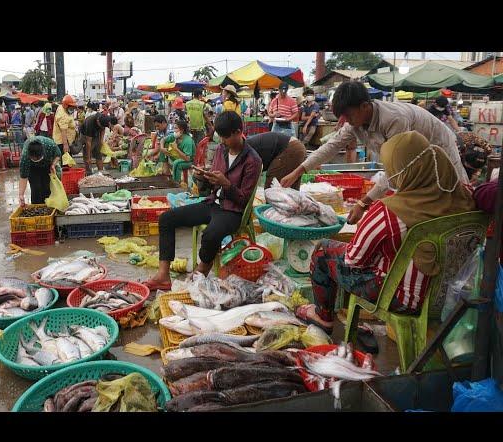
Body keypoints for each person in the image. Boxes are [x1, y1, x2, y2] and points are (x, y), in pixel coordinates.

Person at [296, 131, 476, 334]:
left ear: (403, 171)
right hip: (453, 297)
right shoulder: (467, 197)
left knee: (324, 251)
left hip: (403, 299)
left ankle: (323, 316)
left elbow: (354, 259)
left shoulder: (390, 211)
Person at [279, 81, 470, 224]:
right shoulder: (355, 122)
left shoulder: (395, 119)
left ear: (364, 106)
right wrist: (298, 171)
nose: (346, 121)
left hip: (439, 148)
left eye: (349, 115)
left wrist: (364, 203)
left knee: (453, 195)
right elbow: (331, 146)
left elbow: (397, 170)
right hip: (412, 162)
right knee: (415, 200)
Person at [144, 111, 262, 291]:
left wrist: (226, 184)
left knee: (211, 235)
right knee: (166, 219)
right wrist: (203, 176)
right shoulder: (222, 149)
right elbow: (211, 184)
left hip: (232, 211)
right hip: (212, 202)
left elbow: (243, 199)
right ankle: (163, 275)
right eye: (220, 136)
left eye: (225, 137)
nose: (222, 141)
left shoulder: (253, 160)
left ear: (238, 132)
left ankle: (201, 271)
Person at [18, 135, 62, 206]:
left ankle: (48, 206)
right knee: (36, 188)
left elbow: (58, 155)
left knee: (47, 187)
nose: (37, 161)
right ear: (29, 156)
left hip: (47, 165)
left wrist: (53, 164)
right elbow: (23, 176)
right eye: (34, 159)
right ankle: (37, 207)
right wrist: (21, 195)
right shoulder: (25, 157)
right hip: (33, 168)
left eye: (38, 159)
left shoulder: (50, 145)